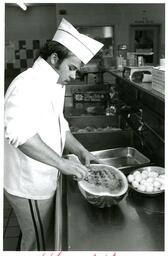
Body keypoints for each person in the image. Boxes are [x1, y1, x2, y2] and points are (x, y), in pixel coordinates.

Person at [4, 18, 104, 251]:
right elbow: (19, 136)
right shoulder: (27, 84)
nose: (73, 76)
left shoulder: (55, 84)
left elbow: (61, 126)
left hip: (46, 176)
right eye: (72, 68)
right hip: (29, 184)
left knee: (39, 236)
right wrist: (62, 164)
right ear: (54, 59)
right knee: (35, 244)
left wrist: (81, 151)